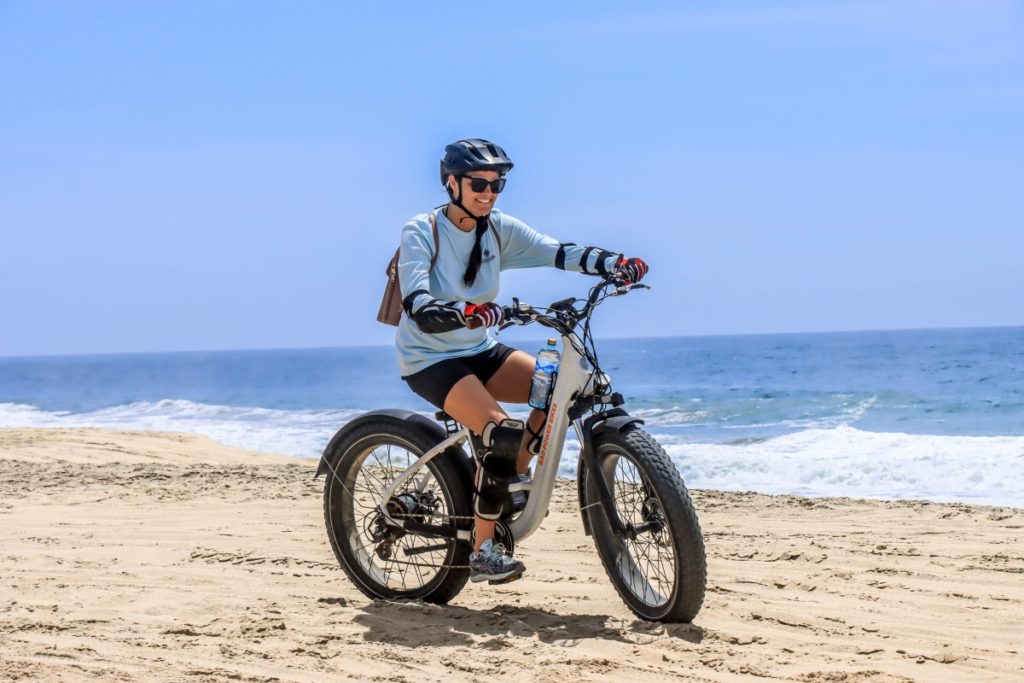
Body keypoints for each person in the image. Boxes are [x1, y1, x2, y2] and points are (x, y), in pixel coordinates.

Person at [396, 138, 648, 583]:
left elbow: (556, 251)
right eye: (479, 183)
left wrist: (613, 262)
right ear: (451, 182)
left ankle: (503, 480)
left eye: (498, 184)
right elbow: (416, 298)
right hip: (432, 358)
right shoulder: (423, 229)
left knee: (554, 393)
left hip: (479, 348)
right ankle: (482, 550)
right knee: (502, 434)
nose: (489, 193)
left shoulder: (496, 229)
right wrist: (459, 312)